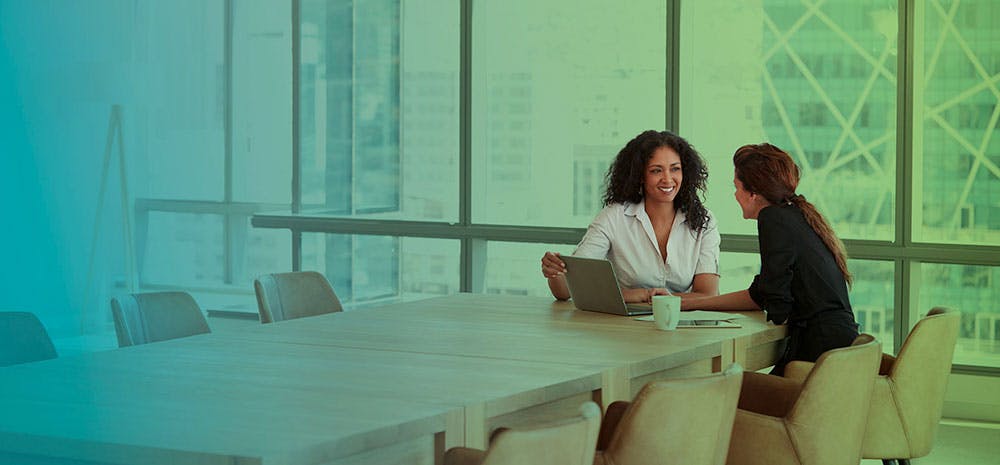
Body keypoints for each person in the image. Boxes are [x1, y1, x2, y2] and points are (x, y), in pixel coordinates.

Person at [682, 143, 859, 374]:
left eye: (736, 187)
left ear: (753, 193)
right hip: (838, 346)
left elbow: (775, 301)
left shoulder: (772, 217)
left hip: (819, 352)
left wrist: (689, 303)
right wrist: (689, 303)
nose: (735, 195)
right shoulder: (795, 214)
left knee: (730, 390)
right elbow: (762, 294)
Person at [541, 130, 721, 303]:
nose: (668, 179)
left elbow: (708, 294)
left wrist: (650, 298)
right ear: (640, 175)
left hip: (684, 326)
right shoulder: (613, 217)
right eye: (656, 171)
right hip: (624, 327)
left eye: (675, 169)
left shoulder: (704, 221)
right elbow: (567, 289)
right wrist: (555, 271)